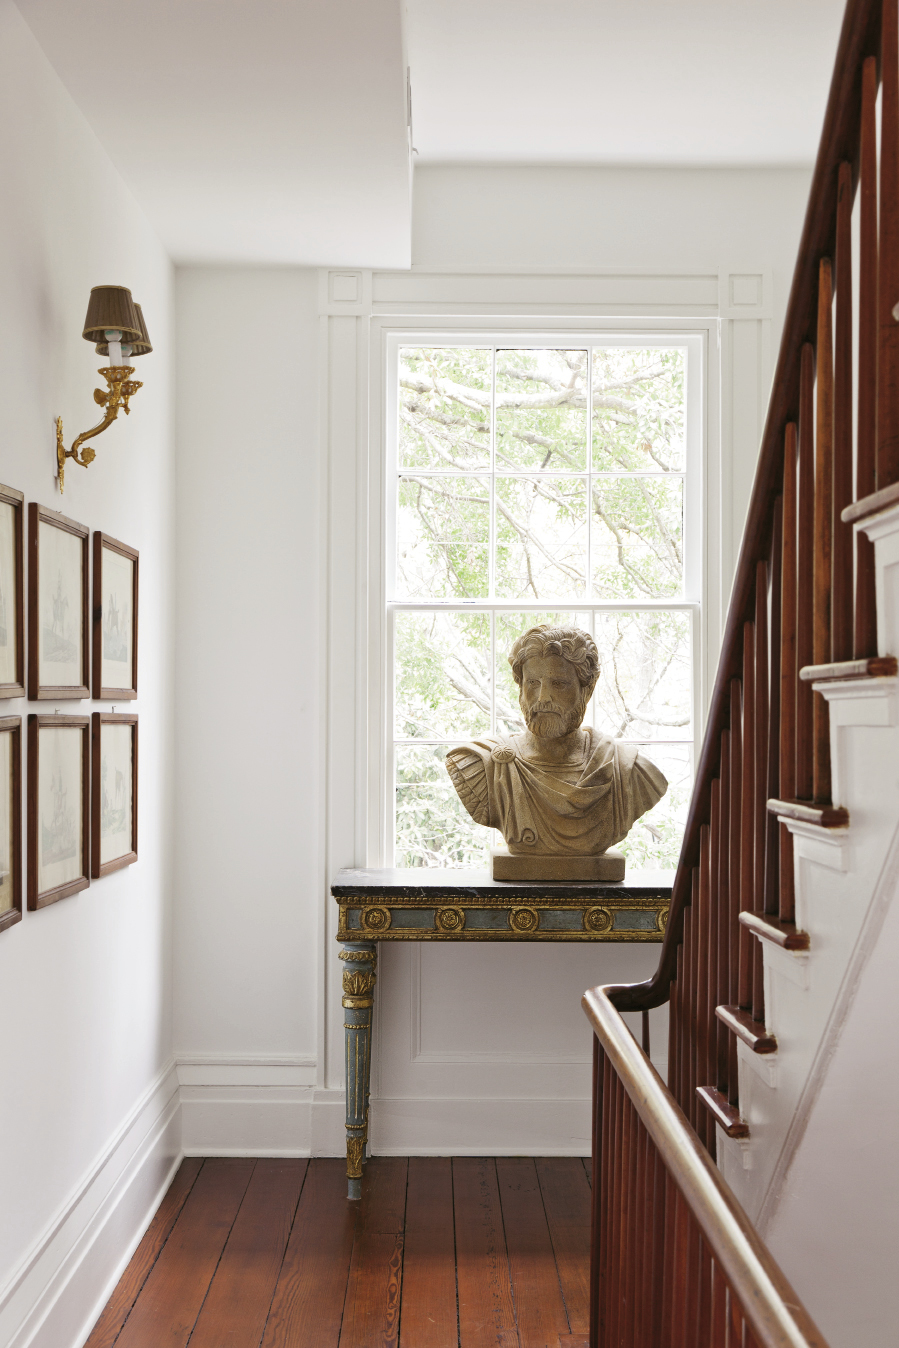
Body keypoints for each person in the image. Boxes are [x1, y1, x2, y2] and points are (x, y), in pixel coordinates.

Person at [445, 624, 667, 858]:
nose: (543, 698)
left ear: (587, 689)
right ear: (520, 689)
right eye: (533, 683)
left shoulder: (628, 769)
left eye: (558, 684)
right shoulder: (483, 764)